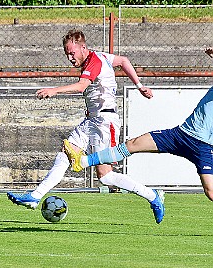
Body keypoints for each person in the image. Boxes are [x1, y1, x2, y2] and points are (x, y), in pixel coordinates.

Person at [7, 29, 165, 224]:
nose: (69, 57)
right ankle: (36, 196)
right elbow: (123, 60)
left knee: (105, 177)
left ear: (83, 47)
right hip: (91, 121)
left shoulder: (94, 61)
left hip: (105, 123)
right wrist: (140, 86)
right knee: (65, 153)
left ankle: (153, 196)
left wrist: (54, 90)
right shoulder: (101, 57)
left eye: (72, 53)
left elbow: (82, 86)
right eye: (67, 53)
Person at [63, 85, 213, 212]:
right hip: (179, 134)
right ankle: (83, 161)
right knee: (132, 144)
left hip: (203, 147)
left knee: (210, 191)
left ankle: (83, 161)